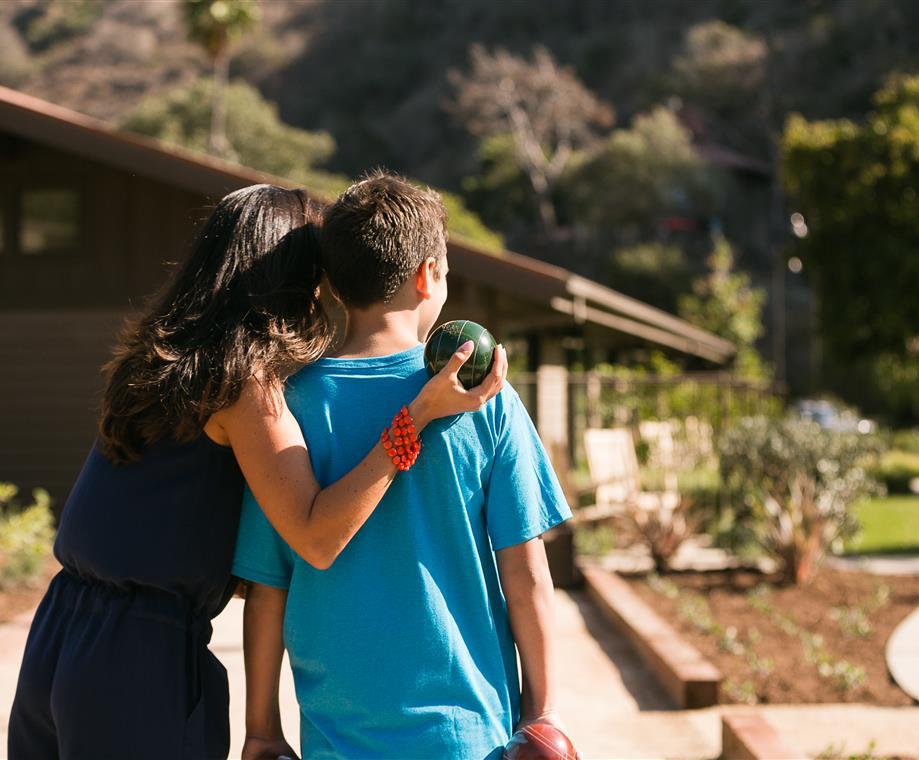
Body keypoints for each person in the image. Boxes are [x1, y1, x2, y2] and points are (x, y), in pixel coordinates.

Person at [7, 184, 506, 760]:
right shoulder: (243, 384)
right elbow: (316, 537)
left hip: (61, 628)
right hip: (139, 658)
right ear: (293, 279)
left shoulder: (157, 360)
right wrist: (414, 418)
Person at [234, 172, 574, 760]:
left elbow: (267, 590)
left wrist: (262, 730)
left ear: (335, 289)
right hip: (470, 739)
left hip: (337, 742)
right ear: (429, 275)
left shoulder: (285, 409)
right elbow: (527, 576)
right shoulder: (486, 399)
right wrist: (541, 716)